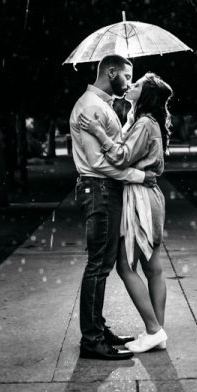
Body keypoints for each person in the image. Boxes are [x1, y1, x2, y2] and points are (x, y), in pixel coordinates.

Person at [68, 54, 159, 361]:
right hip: (100, 189)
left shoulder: (102, 105)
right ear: (111, 72)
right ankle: (92, 340)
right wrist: (139, 175)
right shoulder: (92, 106)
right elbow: (99, 163)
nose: (129, 82)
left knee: (102, 265)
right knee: (98, 266)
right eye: (127, 75)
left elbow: (118, 150)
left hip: (104, 190)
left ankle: (98, 329)